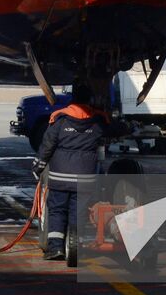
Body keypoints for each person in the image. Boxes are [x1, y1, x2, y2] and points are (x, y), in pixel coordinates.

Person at [31, 75, 131, 261]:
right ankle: (74, 246)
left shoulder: (59, 120)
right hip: (84, 178)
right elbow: (116, 129)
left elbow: (47, 146)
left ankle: (55, 248)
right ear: (89, 100)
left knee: (57, 210)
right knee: (78, 212)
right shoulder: (97, 122)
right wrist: (125, 125)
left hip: (60, 177)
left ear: (73, 99)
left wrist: (38, 167)